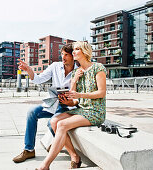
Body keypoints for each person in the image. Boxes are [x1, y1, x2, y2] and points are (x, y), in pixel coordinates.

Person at [36, 41, 107, 170]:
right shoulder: (76, 72)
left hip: (95, 111)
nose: (73, 52)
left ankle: (45, 165)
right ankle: (74, 155)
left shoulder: (98, 67)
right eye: (73, 50)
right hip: (81, 109)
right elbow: (74, 100)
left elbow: (101, 93)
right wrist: (69, 93)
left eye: (77, 49)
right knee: (54, 122)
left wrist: (81, 95)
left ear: (85, 51)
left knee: (62, 125)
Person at [13, 44, 79, 163]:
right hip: (54, 103)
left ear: (73, 56)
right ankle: (29, 150)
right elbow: (38, 79)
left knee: (52, 122)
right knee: (32, 112)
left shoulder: (79, 71)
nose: (63, 58)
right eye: (62, 54)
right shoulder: (55, 66)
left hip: (69, 106)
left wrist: (71, 99)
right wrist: (29, 70)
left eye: (66, 55)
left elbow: (80, 94)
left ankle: (61, 146)